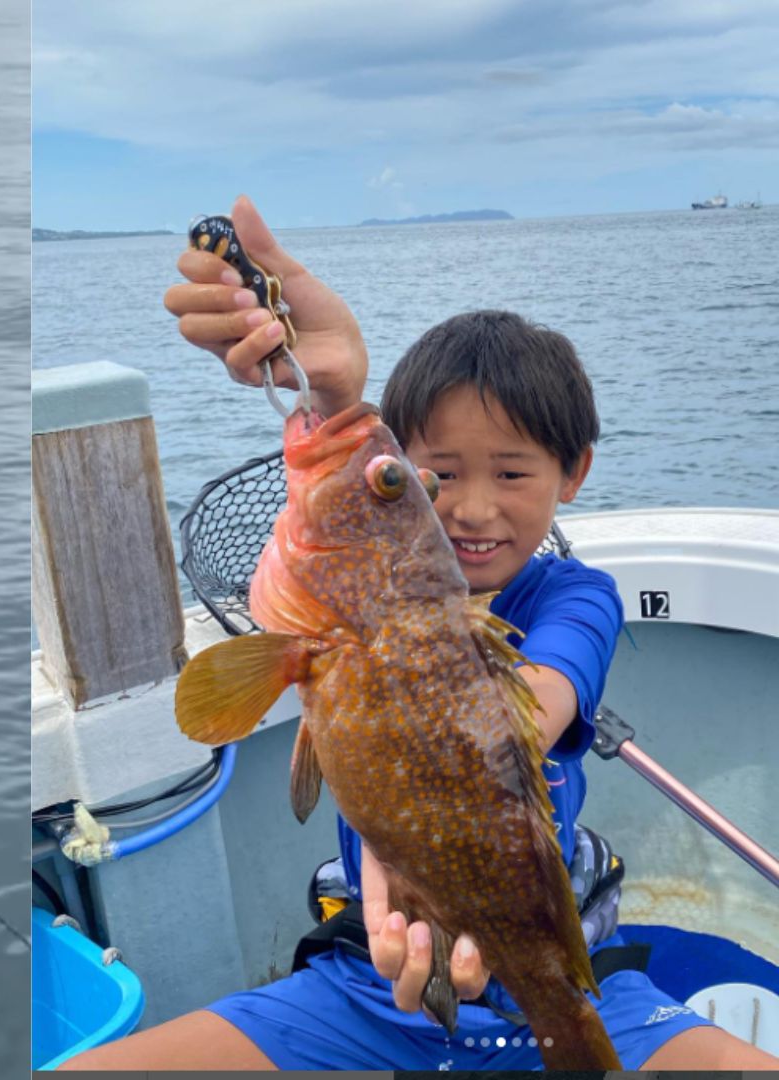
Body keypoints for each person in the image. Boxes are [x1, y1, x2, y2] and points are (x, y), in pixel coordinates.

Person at [63, 195, 779, 1071]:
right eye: (427, 479)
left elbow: (532, 706)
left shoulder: (577, 599)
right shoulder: (345, 614)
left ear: (574, 472)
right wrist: (333, 392)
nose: (472, 509)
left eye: (513, 472)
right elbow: (227, 685)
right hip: (370, 978)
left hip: (565, 971)